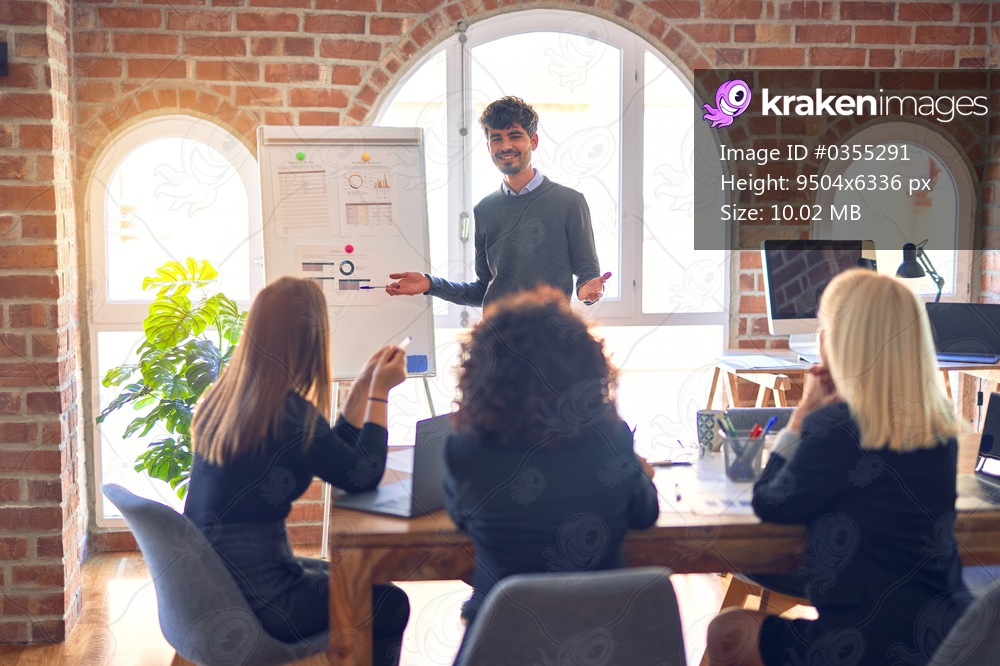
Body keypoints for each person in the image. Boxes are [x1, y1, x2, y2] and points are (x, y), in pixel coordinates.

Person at [705, 269, 971, 666]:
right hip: (948, 635)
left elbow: (770, 502)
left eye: (823, 328)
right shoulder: (940, 429)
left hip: (864, 647)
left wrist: (800, 417)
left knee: (727, 632)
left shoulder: (838, 426)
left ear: (840, 340)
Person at [183, 277, 410, 666]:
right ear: (309, 342)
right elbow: (362, 476)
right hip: (264, 600)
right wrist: (379, 394)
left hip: (217, 587)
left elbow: (336, 458)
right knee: (390, 602)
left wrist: (360, 389)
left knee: (359, 581)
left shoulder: (230, 398)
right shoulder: (287, 414)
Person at [443, 286, 660, 656]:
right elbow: (645, 514)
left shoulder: (464, 449)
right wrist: (640, 472)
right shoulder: (611, 436)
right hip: (604, 643)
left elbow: (462, 520)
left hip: (502, 646)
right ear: (585, 367)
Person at [386, 96, 612, 308]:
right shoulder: (485, 210)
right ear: (488, 147)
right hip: (496, 335)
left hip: (551, 335)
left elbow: (587, 274)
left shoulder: (570, 202)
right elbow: (483, 290)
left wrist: (588, 290)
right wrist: (430, 284)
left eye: (515, 136)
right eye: (496, 139)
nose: (505, 146)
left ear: (533, 141)